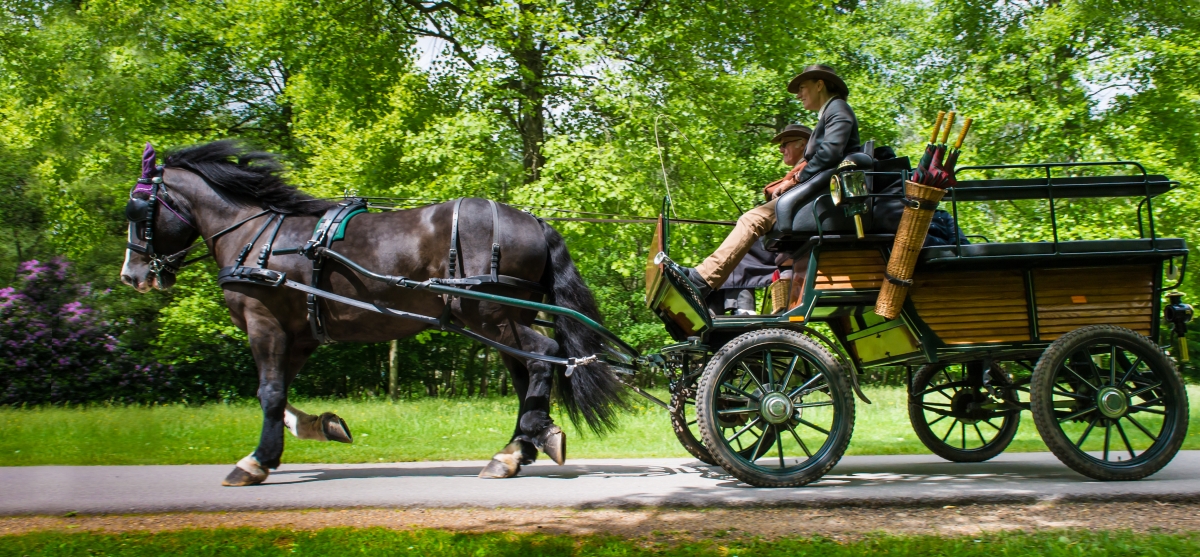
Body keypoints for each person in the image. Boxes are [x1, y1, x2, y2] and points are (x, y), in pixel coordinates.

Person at [684, 64, 861, 296]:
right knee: (753, 218)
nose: (798, 94)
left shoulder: (838, 109)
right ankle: (701, 277)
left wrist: (795, 179)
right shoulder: (830, 113)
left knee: (753, 219)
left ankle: (701, 282)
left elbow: (830, 155)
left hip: (825, 196)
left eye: (802, 87)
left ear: (820, 85)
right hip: (819, 191)